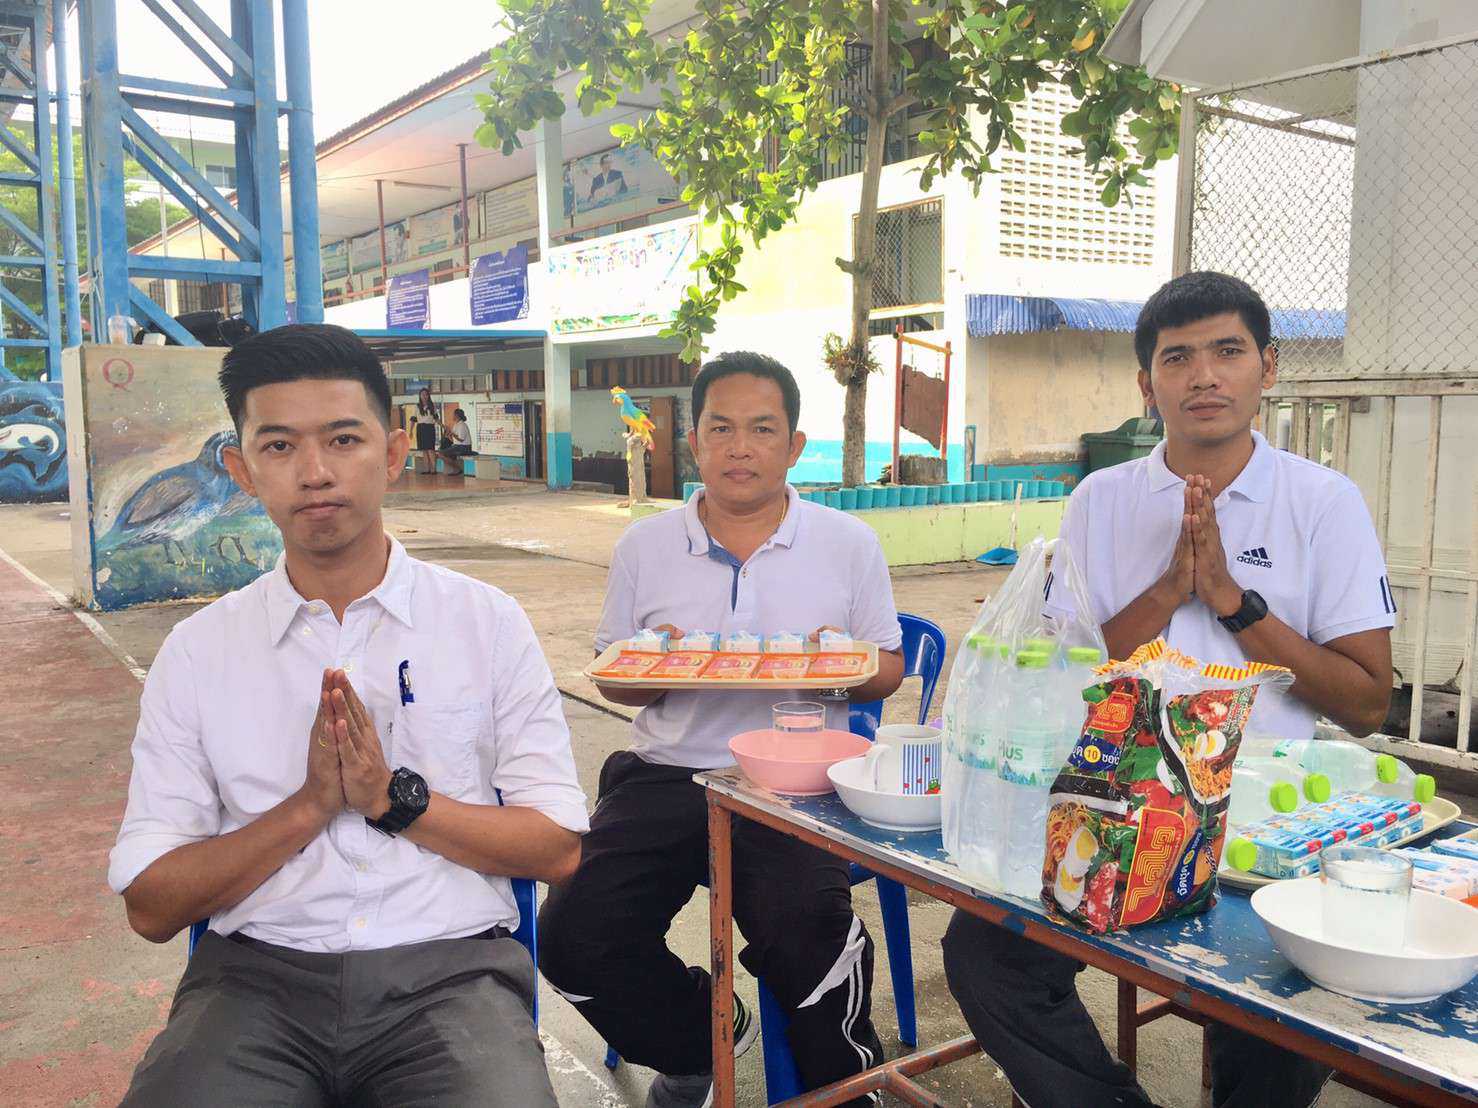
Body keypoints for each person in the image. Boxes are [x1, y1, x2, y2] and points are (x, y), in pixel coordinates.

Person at [942, 271, 1396, 1108]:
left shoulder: (1323, 504)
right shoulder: (1100, 500)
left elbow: (1368, 703)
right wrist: (1166, 590)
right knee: (985, 956)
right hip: (1109, 802)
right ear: (1146, 385)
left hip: (1259, 828)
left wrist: (1231, 600)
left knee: (1280, 1016)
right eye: (1177, 358)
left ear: (1267, 367)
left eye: (1228, 351)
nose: (1204, 376)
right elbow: (1065, 674)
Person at [109, 324, 589, 1106]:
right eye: (279, 446)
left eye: (343, 439)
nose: (316, 472)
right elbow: (151, 906)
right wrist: (308, 808)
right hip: (253, 983)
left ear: (393, 453)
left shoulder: (486, 624)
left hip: (450, 979)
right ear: (240, 470)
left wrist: (391, 801)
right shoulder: (198, 652)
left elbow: (558, 848)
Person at [538, 351, 907, 1108]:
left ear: (794, 445)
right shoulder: (644, 546)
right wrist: (660, 665)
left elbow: (887, 669)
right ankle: (697, 1039)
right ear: (695, 442)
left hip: (795, 781)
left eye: (762, 429)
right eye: (721, 428)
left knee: (810, 933)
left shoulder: (848, 543)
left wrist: (830, 668)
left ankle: (846, 1088)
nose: (741, 448)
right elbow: (614, 677)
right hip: (666, 773)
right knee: (574, 933)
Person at [440, 407, 474, 473]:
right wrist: (448, 435)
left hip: (464, 447)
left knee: (441, 454)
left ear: (457, 415)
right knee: (443, 453)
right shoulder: (456, 424)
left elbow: (461, 439)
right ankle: (456, 469)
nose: (452, 416)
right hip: (457, 446)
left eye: (453, 414)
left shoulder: (462, 425)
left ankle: (458, 469)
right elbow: (454, 440)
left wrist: (452, 434)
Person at [413, 385, 439, 474]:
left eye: (426, 394)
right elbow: (413, 419)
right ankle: (426, 469)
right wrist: (411, 431)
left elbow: (436, 418)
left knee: (431, 449)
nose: (424, 396)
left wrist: (443, 426)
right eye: (422, 394)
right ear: (420, 396)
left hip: (429, 428)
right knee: (424, 450)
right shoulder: (417, 406)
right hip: (420, 428)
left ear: (428, 396)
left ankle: (433, 469)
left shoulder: (432, 406)